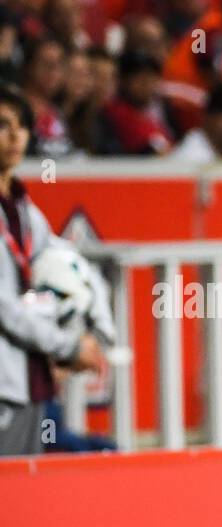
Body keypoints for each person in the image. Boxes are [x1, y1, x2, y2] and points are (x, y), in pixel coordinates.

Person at [0, 84, 101, 456]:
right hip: (4, 385)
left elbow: (63, 280)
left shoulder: (27, 212)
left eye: (22, 126)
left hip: (29, 379)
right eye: (2, 125)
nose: (14, 136)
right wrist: (67, 346)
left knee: (26, 494)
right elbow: (4, 308)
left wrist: (65, 342)